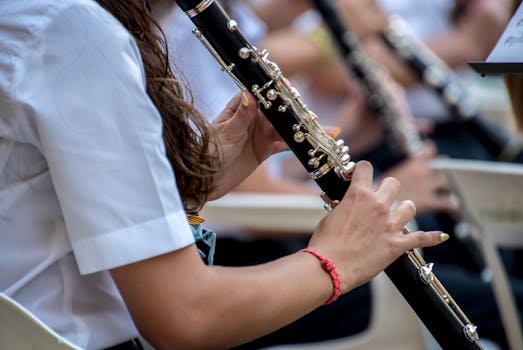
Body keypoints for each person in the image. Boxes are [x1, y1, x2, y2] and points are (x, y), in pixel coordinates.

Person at [0, 1, 448, 349]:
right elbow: (185, 318)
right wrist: (338, 260)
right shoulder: (70, 31)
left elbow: (33, 214)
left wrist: (187, 185)